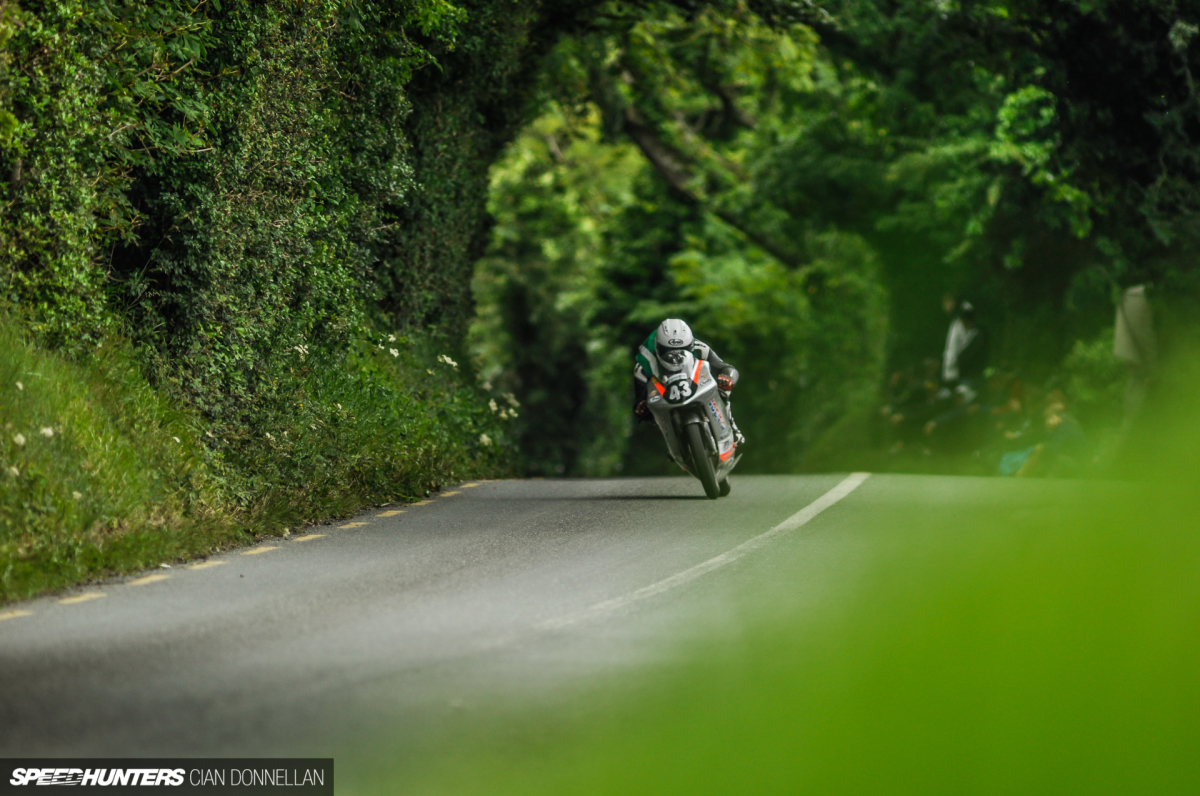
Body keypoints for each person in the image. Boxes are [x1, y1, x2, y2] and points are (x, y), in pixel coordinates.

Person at [633, 319, 745, 445]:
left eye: (684, 349)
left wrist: (727, 378)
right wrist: (642, 408)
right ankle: (671, 440)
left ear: (690, 345)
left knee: (723, 389)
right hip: (665, 388)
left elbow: (726, 368)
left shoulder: (699, 347)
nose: (676, 358)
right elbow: (639, 403)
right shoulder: (644, 363)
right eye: (668, 351)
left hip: (694, 382)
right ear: (658, 348)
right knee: (648, 413)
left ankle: (732, 427)